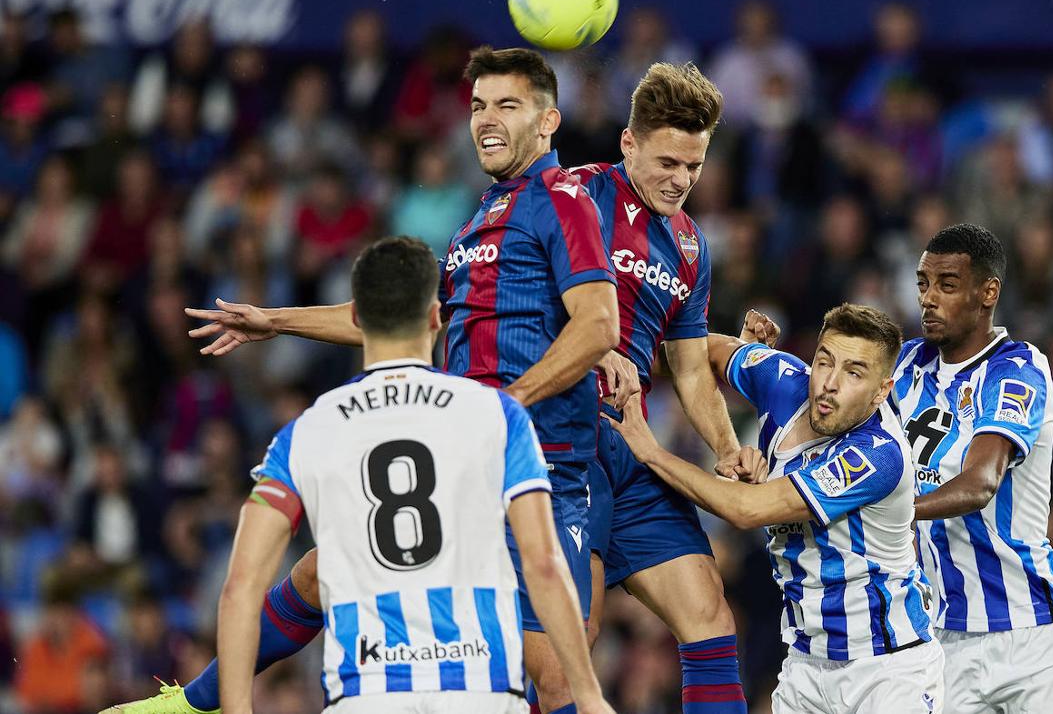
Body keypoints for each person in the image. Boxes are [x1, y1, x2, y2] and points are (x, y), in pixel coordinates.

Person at [107, 48, 619, 714]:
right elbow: (394, 317)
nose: (486, 121)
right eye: (477, 106)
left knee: (552, 672)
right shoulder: (481, 219)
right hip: (466, 460)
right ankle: (193, 703)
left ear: (548, 121)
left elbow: (597, 323)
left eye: (508, 106)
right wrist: (276, 320)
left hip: (539, 463)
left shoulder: (561, 199)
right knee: (323, 572)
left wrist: (508, 407)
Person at [214, 236, 610, 714]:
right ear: (436, 317)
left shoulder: (308, 431)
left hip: (366, 695)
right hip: (477, 692)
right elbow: (544, 564)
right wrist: (589, 696)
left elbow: (241, 586)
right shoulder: (496, 416)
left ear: (357, 318)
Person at [607, 303, 941, 713]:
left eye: (853, 373)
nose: (830, 384)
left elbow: (745, 509)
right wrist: (626, 363)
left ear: (881, 390)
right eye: (824, 362)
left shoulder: (878, 455)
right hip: (805, 663)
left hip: (887, 671)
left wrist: (651, 452)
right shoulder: (782, 378)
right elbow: (691, 352)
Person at [570, 62, 749, 713]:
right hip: (559, 443)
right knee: (572, 636)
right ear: (628, 143)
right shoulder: (573, 196)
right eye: (668, 162)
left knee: (709, 611)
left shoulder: (692, 248)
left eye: (694, 168)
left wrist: (725, 447)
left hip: (631, 446)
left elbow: (691, 366)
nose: (681, 181)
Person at [891, 223, 1053, 712]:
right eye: (923, 283)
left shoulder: (1017, 367)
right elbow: (824, 406)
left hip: (1034, 638)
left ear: (988, 293)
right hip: (944, 642)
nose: (928, 299)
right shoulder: (902, 366)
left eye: (947, 284)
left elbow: (981, 483)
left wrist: (889, 512)